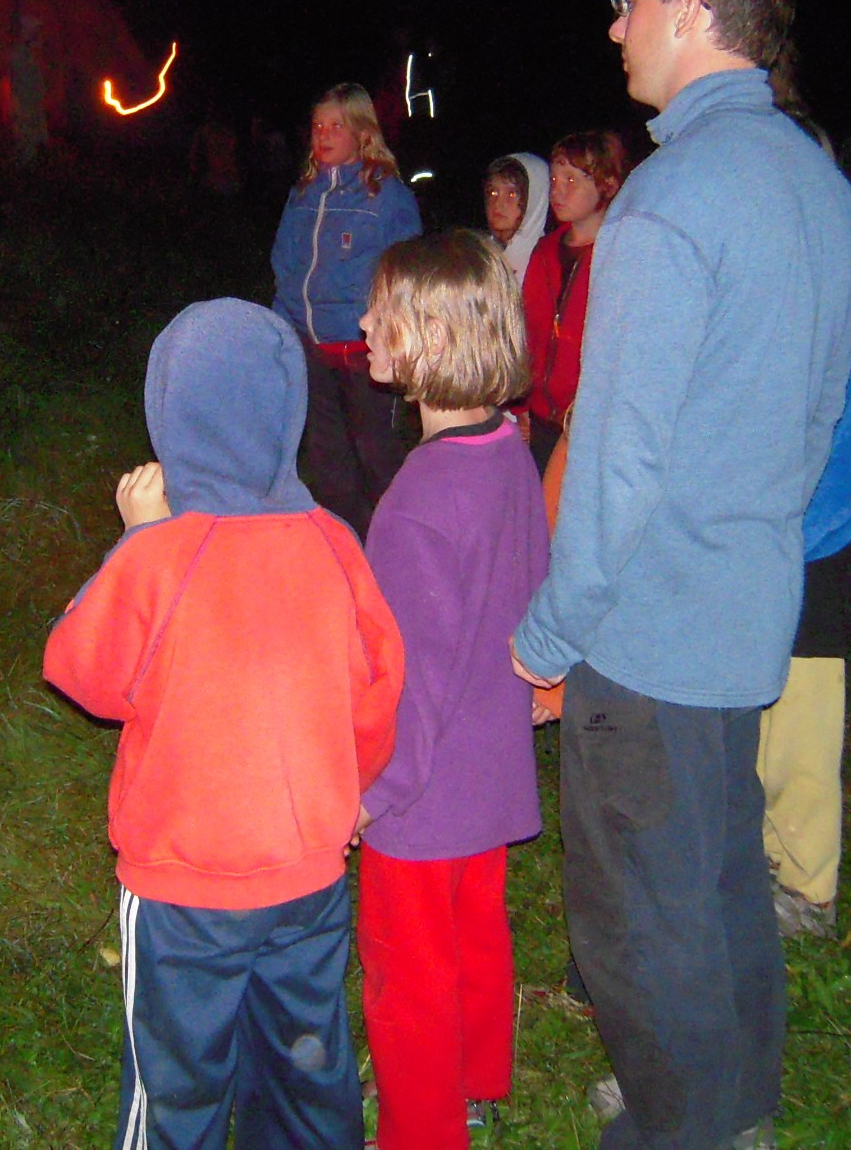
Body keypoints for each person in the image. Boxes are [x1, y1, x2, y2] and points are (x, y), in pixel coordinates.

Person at [511, 0, 851, 1149]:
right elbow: (816, 423)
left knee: (639, 916)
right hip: (747, 612)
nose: (618, 24)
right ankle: (734, 1103)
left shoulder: (670, 203)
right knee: (719, 879)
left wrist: (549, 634)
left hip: (651, 634)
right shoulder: (825, 192)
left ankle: (682, 1126)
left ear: (694, 10)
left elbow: (615, 459)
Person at [43, 298, 404, 1150]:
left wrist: (132, 542)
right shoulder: (333, 542)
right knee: (305, 1071)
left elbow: (81, 671)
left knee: (175, 1086)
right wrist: (349, 792)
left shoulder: (161, 554)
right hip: (307, 877)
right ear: (287, 411)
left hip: (184, 891)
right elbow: (377, 689)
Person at [353, 231, 548, 1149]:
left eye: (379, 312)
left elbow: (410, 681)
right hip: (490, 769)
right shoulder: (506, 448)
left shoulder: (417, 504)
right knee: (475, 934)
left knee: (407, 976)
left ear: (429, 338)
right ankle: (476, 1077)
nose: (362, 324)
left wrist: (372, 793)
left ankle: (423, 1129)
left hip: (421, 795)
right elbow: (531, 578)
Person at [758, 260, 851, 938]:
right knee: (763, 728)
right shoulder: (797, 349)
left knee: (801, 741)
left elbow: (833, 491)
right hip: (769, 567)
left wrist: (766, 540)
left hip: (814, 572)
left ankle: (808, 890)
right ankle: (762, 856)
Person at [269, 83, 422, 538]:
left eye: (336, 125)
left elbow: (407, 272)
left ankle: (397, 541)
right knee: (327, 456)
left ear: (362, 131)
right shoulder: (303, 194)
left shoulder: (385, 196)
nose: (324, 134)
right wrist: (281, 333)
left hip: (365, 352)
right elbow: (284, 266)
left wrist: (396, 336)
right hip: (312, 349)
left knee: (376, 454)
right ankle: (344, 542)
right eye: (318, 125)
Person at [514, 132, 630, 472]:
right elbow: (528, 331)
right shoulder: (545, 251)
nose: (557, 191)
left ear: (608, 185)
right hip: (542, 416)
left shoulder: (619, 255)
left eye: (571, 180)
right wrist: (522, 404)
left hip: (591, 424)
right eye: (554, 179)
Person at [483, 153, 550, 290]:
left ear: (534, 199)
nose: (498, 204)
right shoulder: (480, 256)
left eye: (512, 194)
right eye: (493, 192)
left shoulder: (547, 265)